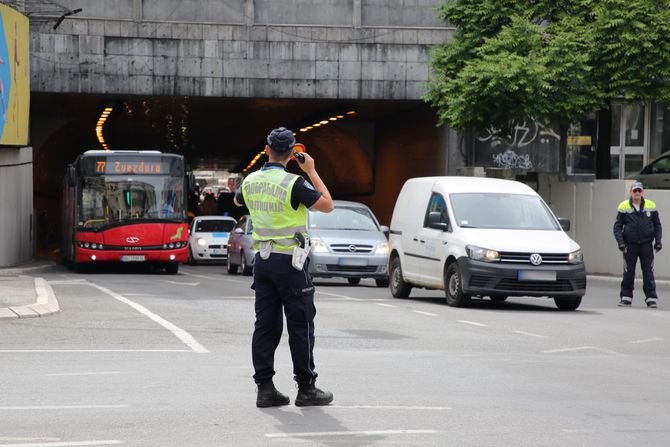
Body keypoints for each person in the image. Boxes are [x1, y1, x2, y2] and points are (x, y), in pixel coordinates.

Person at [234, 126, 335, 407]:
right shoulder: (294, 183)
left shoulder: (251, 181)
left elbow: (237, 199)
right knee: (300, 325)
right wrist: (311, 171)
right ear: (293, 154)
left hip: (262, 263)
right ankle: (306, 388)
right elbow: (327, 205)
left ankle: (265, 389)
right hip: (290, 263)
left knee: (266, 326)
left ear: (266, 151)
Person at [613, 181, 662, 308]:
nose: (637, 193)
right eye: (635, 191)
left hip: (646, 244)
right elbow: (617, 227)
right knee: (628, 272)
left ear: (642, 192)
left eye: (639, 191)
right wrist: (621, 244)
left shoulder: (651, 206)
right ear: (631, 192)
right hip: (630, 245)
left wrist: (658, 242)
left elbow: (657, 225)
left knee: (648, 272)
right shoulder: (624, 206)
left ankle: (651, 298)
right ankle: (626, 297)